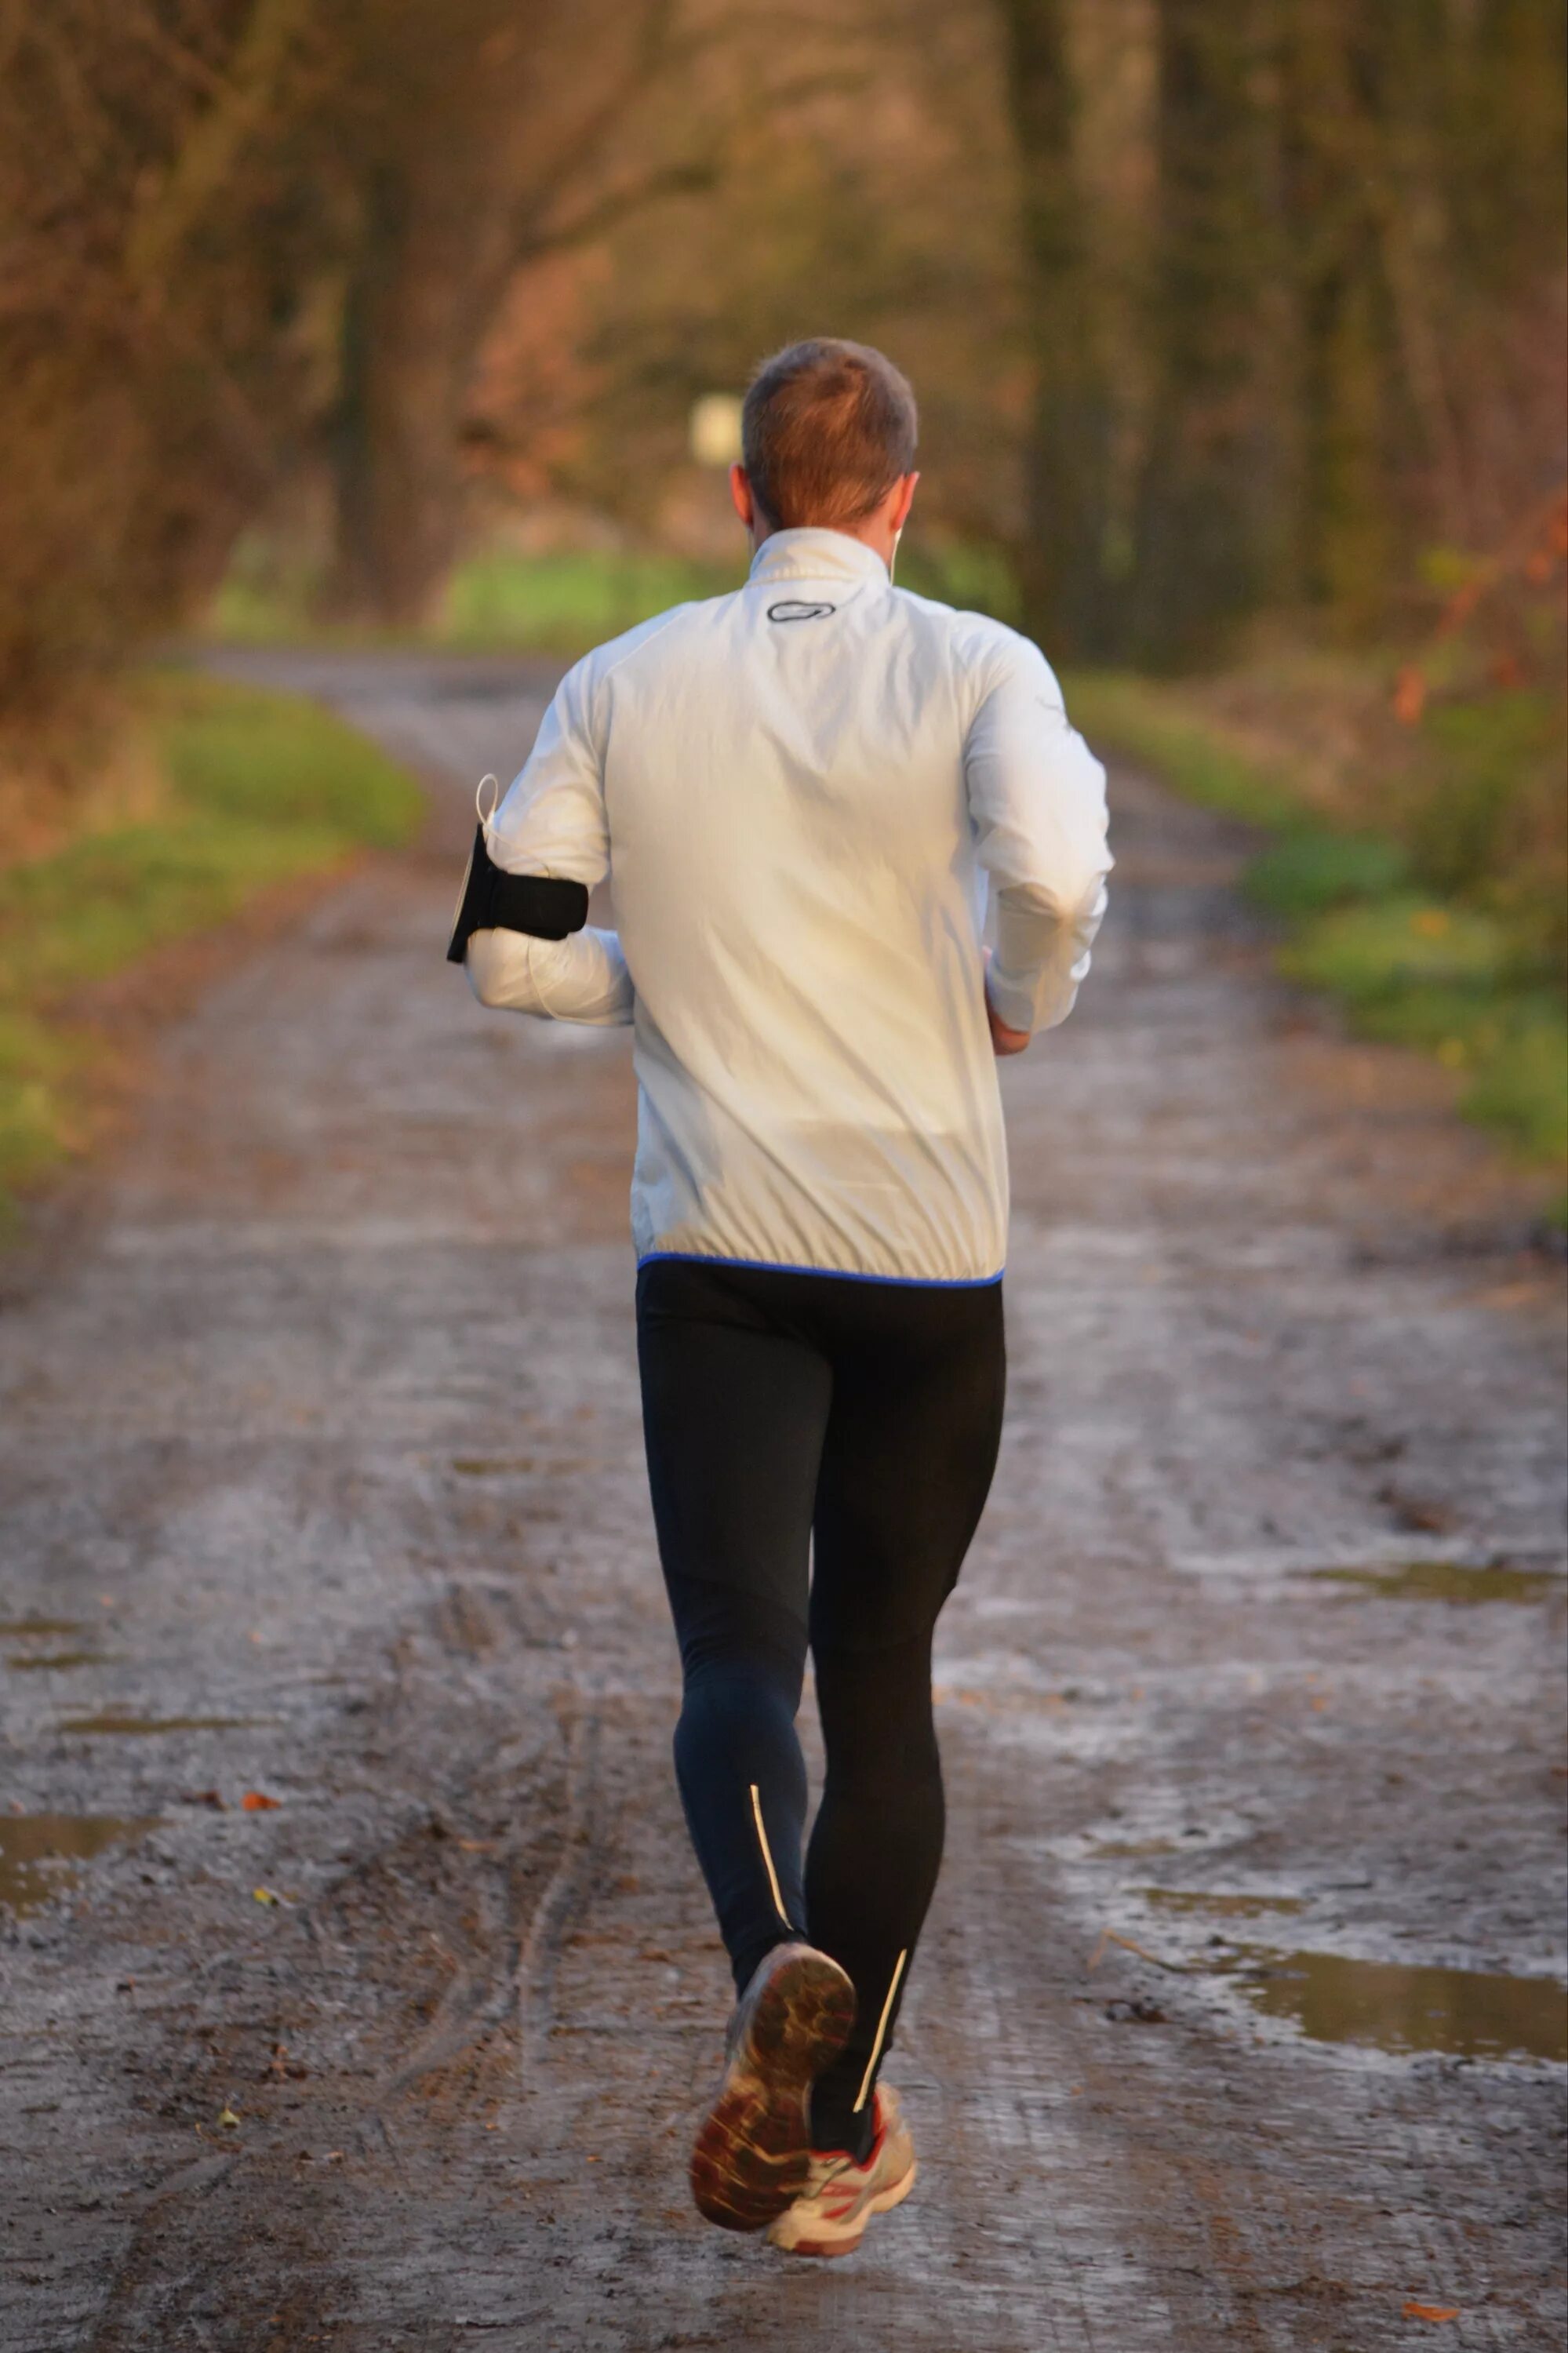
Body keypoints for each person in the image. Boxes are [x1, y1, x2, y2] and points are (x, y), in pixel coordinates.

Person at [454, 337, 1110, 2259]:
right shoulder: (982, 663)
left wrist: (648, 990)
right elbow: (1056, 872)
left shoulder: (627, 677)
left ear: (737, 498)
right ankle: (825, 2133)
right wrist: (1025, 995)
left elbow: (504, 955)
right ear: (905, 500)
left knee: (738, 1656)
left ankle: (773, 1975)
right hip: (925, 1251)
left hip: (719, 1247)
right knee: (879, 1677)